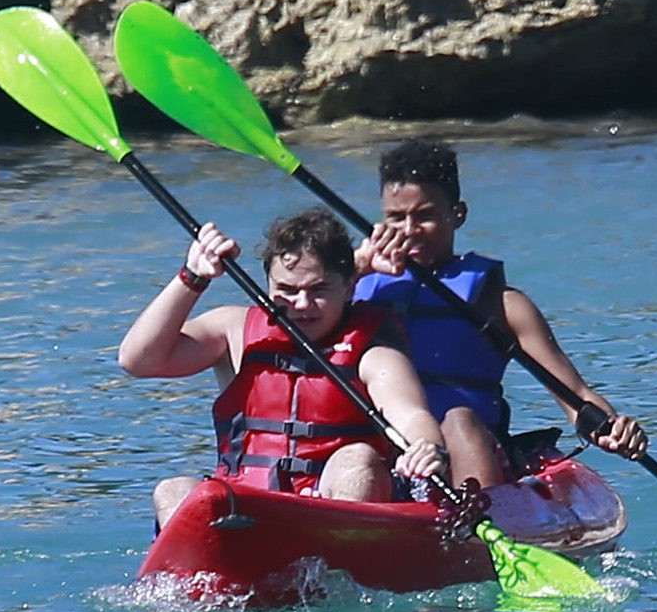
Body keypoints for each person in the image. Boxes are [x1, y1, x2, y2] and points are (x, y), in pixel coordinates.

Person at [119, 206, 449, 529]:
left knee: (357, 461)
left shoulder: (372, 350)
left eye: (318, 290)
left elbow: (411, 415)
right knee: (173, 490)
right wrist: (192, 277)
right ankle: (196, 580)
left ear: (349, 286)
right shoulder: (233, 329)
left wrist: (426, 447)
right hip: (249, 504)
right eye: (287, 291)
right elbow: (137, 360)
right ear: (268, 286)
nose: (301, 305)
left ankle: (334, 571)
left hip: (331, 506)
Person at [353, 138, 647, 489]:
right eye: (396, 218)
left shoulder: (502, 304)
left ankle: (475, 522)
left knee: (460, 420)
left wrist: (613, 430)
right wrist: (356, 266)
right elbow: (289, 327)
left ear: (457, 214)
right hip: (390, 449)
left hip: (470, 455)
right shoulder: (353, 289)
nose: (410, 230)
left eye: (426, 215)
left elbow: (575, 396)